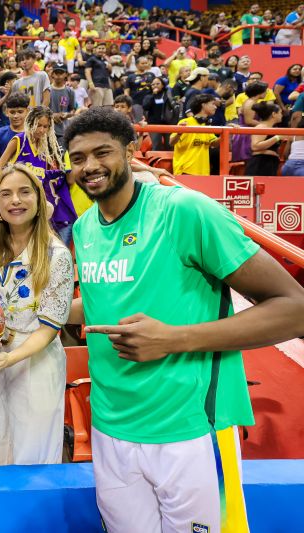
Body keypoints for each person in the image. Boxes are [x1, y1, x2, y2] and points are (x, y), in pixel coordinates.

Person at [65, 106, 304, 533]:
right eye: (79, 158)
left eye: (102, 153)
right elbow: (106, 303)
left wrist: (172, 339)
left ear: (131, 151)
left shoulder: (184, 210)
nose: (90, 166)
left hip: (190, 426)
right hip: (110, 425)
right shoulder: (85, 229)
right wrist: (36, 312)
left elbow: (294, 308)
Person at [0, 163, 72, 465]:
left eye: (25, 192)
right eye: (6, 194)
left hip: (35, 362)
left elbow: (48, 329)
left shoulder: (56, 255)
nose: (15, 200)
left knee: (32, 459)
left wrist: (11, 358)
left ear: (39, 201)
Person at [0, 106, 76, 246]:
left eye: (46, 126)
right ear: (30, 122)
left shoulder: (44, 148)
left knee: (50, 211)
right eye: (39, 125)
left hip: (33, 199)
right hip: (16, 196)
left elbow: (42, 178)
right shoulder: (19, 140)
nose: (42, 130)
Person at [171, 94, 220, 176]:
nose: (215, 107)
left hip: (203, 172)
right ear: (203, 105)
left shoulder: (207, 125)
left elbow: (214, 144)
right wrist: (179, 133)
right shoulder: (185, 122)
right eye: (213, 104)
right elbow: (171, 142)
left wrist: (228, 133)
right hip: (185, 171)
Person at [0, 92, 29, 173]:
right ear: (7, 112)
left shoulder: (34, 135)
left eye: (20, 112)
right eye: (12, 112)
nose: (16, 116)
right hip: (5, 178)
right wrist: (13, 163)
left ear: (27, 111)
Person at [246, 102, 286, 177]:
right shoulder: (261, 127)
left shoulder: (271, 128)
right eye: (280, 113)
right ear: (274, 114)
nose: (282, 115)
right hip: (260, 163)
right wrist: (277, 137)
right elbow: (255, 146)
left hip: (269, 163)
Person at [47, 64, 75, 145]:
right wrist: (52, 115)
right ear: (52, 74)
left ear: (65, 74)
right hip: (48, 129)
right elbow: (42, 109)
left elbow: (72, 110)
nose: (58, 76)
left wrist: (67, 114)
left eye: (61, 73)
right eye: (56, 73)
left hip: (63, 130)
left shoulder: (70, 91)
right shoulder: (47, 90)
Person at [85, 43, 112, 108]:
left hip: (107, 86)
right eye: (99, 48)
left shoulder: (105, 60)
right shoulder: (92, 59)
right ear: (95, 49)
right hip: (97, 85)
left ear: (105, 50)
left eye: (103, 48)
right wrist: (91, 83)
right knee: (96, 107)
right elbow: (87, 71)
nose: (101, 50)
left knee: (108, 108)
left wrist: (108, 61)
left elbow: (110, 71)